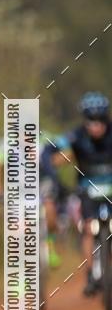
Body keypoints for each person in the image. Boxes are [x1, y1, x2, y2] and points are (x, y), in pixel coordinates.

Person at [45, 92, 112, 296]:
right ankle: (91, 274)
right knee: (87, 227)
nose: (96, 125)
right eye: (91, 120)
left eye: (100, 119)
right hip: (87, 188)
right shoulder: (75, 136)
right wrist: (54, 176)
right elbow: (50, 149)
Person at [0, 130, 62, 268]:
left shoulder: (46, 140)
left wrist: (49, 161)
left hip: (42, 186)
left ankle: (50, 244)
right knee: (15, 231)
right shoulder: (4, 144)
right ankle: (18, 274)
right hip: (18, 192)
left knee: (49, 208)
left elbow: (66, 153)